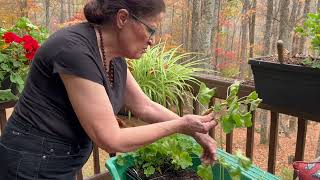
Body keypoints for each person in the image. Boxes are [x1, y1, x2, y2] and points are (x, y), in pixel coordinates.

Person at [0, 0, 218, 179]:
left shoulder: (113, 57)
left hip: (57, 162)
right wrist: (180, 125)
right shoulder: (73, 50)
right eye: (150, 29)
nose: (152, 41)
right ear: (122, 18)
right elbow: (111, 139)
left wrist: (196, 132)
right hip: (29, 165)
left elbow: (144, 106)